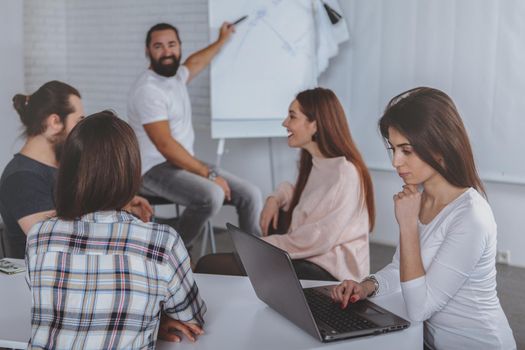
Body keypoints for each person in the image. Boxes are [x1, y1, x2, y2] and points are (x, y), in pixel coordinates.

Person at [331, 87, 516, 349]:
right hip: (427, 341)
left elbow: (420, 308)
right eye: (393, 148)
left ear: (440, 147)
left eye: (406, 150)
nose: (396, 161)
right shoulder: (417, 198)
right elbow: (401, 268)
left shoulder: (472, 216)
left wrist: (407, 225)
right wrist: (366, 286)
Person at [26, 111, 206, 349]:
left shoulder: (40, 235)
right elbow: (191, 316)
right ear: (131, 171)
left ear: (68, 171)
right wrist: (152, 316)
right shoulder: (161, 242)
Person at [196, 88, 375, 282]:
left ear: (315, 125)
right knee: (214, 265)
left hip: (331, 273)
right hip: (311, 258)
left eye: (292, 117)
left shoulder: (344, 173)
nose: (284, 123)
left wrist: (260, 245)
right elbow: (302, 193)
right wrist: (275, 198)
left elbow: (317, 238)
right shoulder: (318, 163)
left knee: (209, 265)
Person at [127, 22, 262, 247]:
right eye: (158, 46)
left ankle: (255, 261)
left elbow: (196, 62)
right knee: (211, 196)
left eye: (172, 45)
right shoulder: (148, 90)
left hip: (180, 164)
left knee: (251, 195)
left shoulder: (176, 78)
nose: (167, 52)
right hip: (152, 170)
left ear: (180, 47)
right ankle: (169, 252)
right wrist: (208, 175)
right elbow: (165, 145)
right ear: (147, 51)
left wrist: (222, 40)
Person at [0, 81, 152, 259]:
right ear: (55, 122)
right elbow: (57, 240)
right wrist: (116, 207)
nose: (82, 130)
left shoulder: (61, 166)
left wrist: (117, 201)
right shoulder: (22, 178)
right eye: (79, 121)